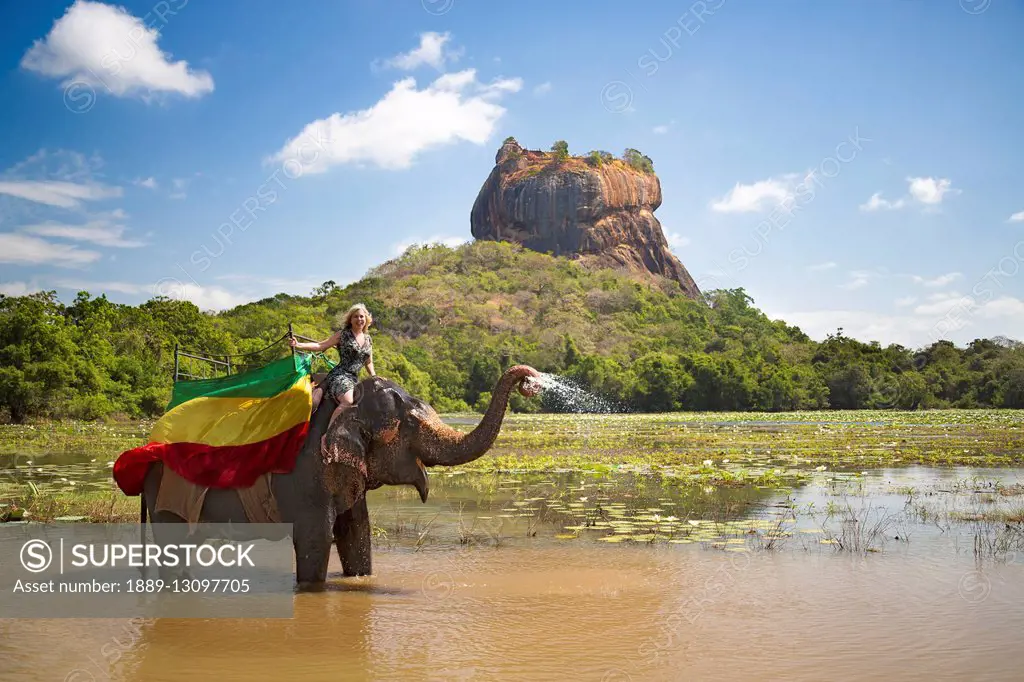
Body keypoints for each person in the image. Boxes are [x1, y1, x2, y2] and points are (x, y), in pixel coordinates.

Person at [289, 303, 376, 440]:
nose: (359, 319)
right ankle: (329, 435)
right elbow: (321, 345)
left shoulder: (368, 339)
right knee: (348, 401)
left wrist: (374, 377)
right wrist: (298, 344)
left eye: (361, 316)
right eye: (356, 317)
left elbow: (368, 362)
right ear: (350, 319)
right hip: (340, 374)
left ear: (366, 319)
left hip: (354, 378)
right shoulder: (343, 334)